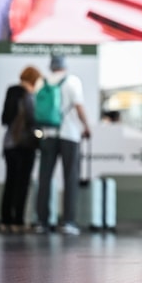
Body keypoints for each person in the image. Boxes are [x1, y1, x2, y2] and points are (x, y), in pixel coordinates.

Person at [34, 54, 92, 235]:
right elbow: (79, 107)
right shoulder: (72, 81)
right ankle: (68, 222)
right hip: (70, 135)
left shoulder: (41, 82)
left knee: (44, 179)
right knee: (70, 179)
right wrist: (86, 126)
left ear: (50, 66)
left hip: (48, 135)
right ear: (64, 66)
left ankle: (42, 222)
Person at [0, 65, 42, 234]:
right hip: (25, 145)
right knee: (22, 184)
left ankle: (5, 220)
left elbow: (5, 119)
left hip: (9, 144)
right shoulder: (29, 96)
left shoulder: (11, 92)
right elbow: (33, 119)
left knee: (10, 182)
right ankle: (18, 221)